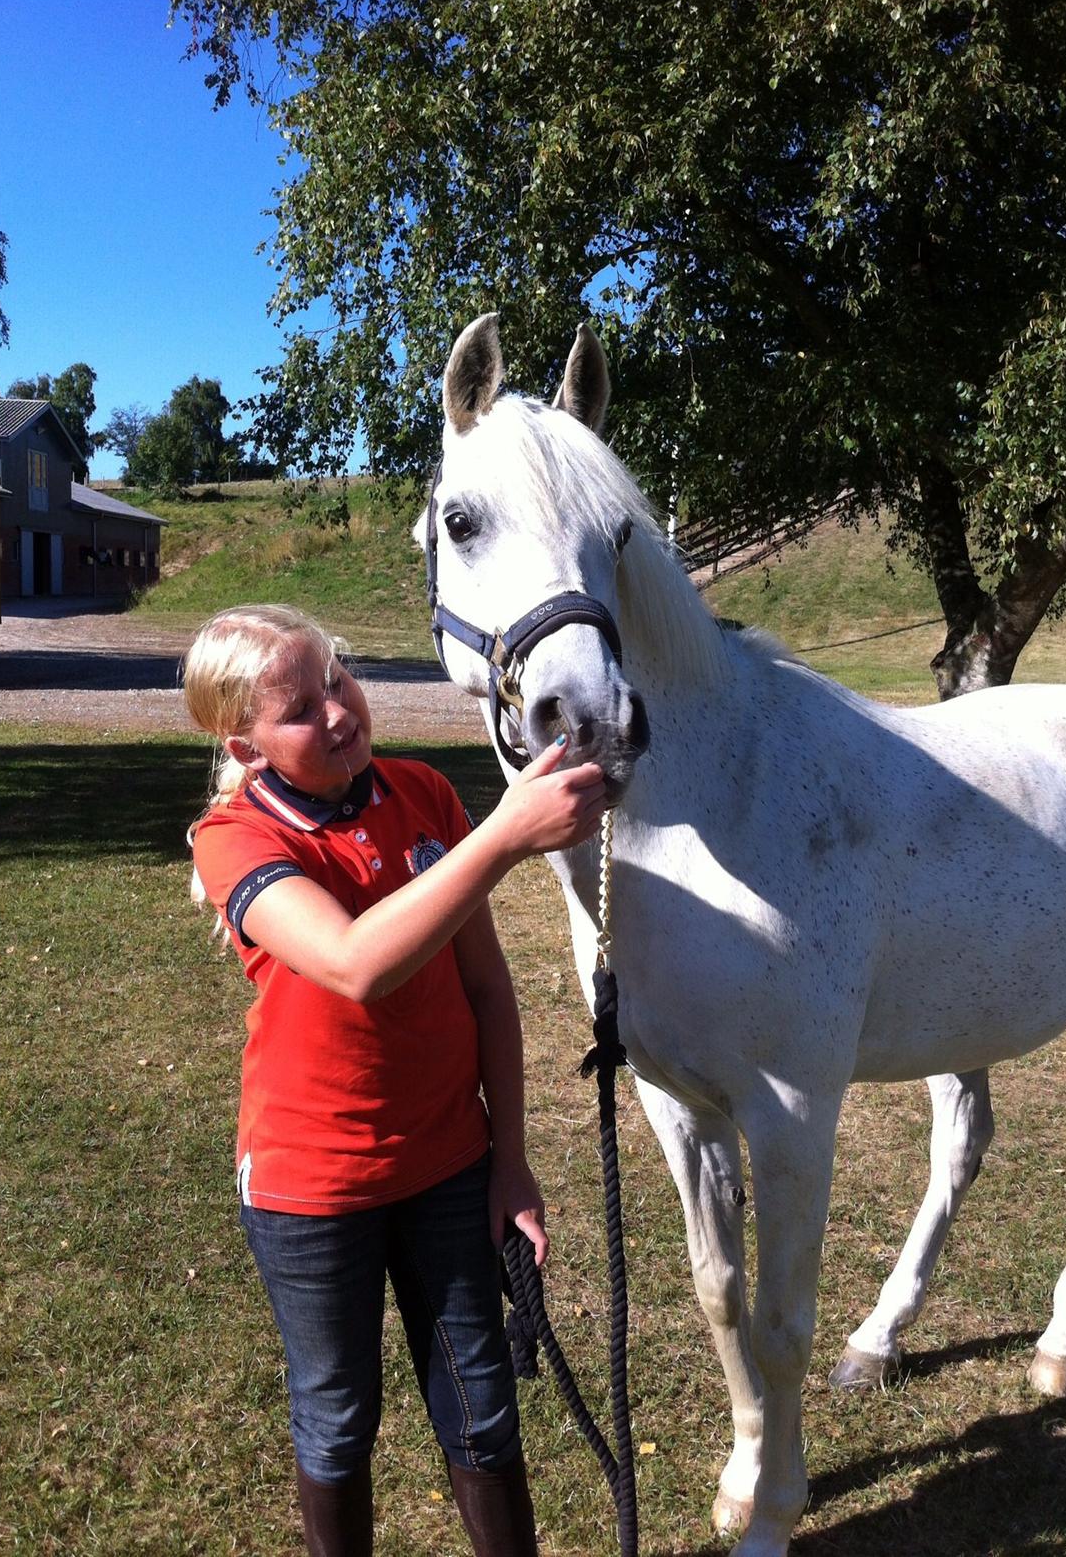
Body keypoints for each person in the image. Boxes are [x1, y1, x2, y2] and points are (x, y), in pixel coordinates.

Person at [182, 603, 607, 1557]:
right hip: (311, 1189)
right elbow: (354, 963)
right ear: (244, 745)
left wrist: (512, 1163)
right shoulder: (234, 839)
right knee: (337, 1419)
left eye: (337, 680)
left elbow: (489, 988)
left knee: (484, 1412)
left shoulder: (420, 792)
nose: (336, 713)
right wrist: (502, 838)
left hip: (451, 1166)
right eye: (298, 711)